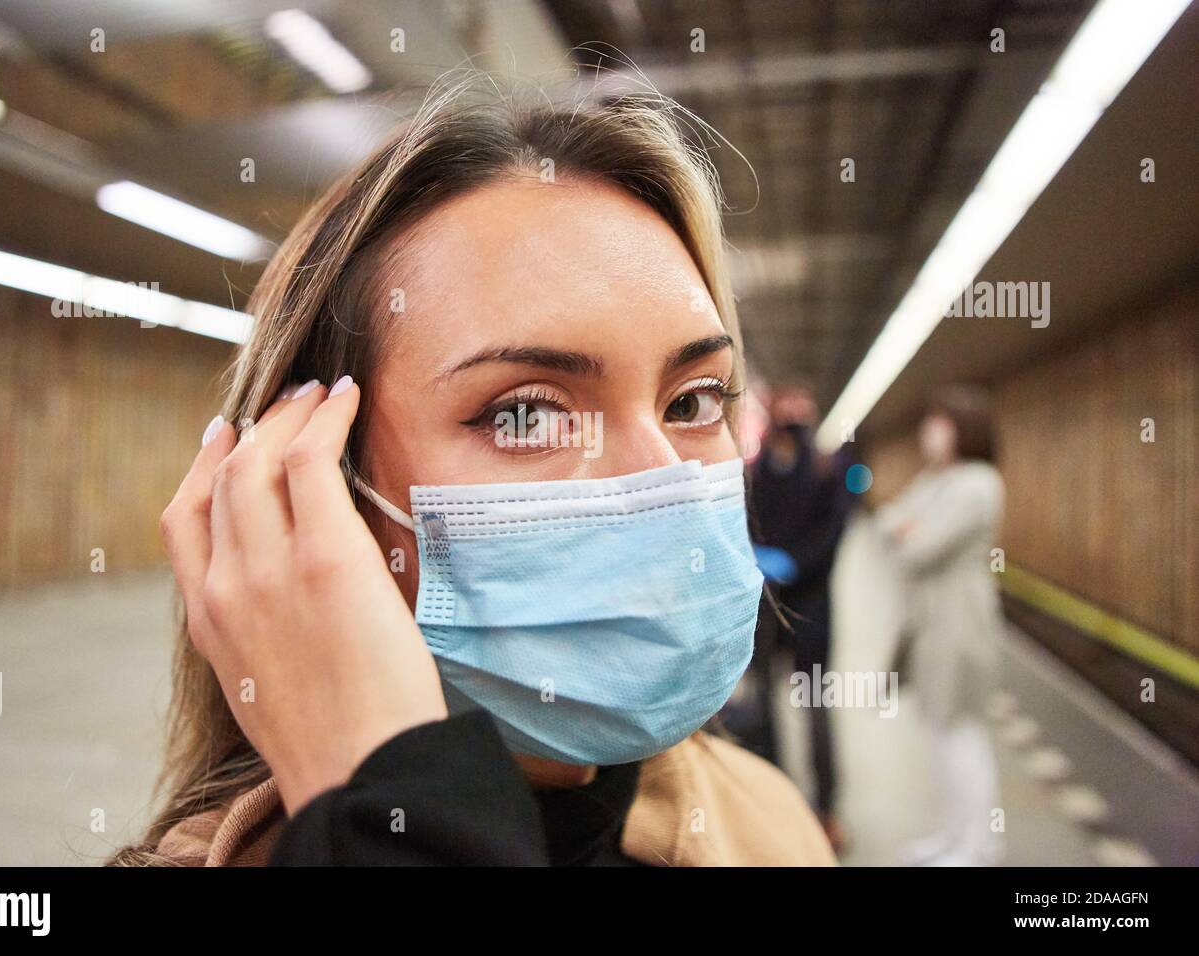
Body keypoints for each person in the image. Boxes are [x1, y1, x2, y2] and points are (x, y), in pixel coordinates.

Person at [107, 77, 835, 867]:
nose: (661, 485)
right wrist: (390, 811)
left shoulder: (765, 824)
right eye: (527, 414)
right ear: (305, 486)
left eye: (692, 401)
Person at [876, 386, 1005, 866]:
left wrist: (907, 529)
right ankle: (954, 834)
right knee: (939, 729)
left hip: (959, 623)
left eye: (940, 423)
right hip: (931, 624)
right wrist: (904, 527)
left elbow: (917, 550)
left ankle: (979, 844)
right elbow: (888, 519)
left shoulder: (978, 483)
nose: (929, 433)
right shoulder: (937, 481)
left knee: (960, 732)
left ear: (963, 429)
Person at [741, 381, 852, 854]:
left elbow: (834, 534)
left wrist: (792, 562)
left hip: (810, 610)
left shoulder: (828, 470)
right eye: (785, 405)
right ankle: (775, 803)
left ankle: (826, 810)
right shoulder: (755, 472)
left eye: (800, 406)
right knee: (762, 709)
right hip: (765, 611)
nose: (792, 414)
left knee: (814, 712)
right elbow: (744, 523)